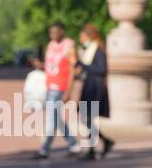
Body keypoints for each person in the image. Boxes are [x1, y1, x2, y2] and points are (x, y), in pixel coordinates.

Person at [72, 22, 115, 160]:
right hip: (89, 85)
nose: (81, 39)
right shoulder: (90, 50)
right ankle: (104, 142)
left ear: (88, 36)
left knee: (88, 118)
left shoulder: (97, 50)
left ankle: (93, 149)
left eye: (82, 37)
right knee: (87, 119)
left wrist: (82, 65)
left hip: (95, 87)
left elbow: (101, 69)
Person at [37, 22, 79, 158]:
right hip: (50, 85)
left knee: (52, 118)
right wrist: (40, 65)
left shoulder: (69, 46)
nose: (52, 35)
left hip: (60, 87)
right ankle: (73, 144)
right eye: (51, 32)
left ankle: (44, 149)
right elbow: (52, 66)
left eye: (55, 32)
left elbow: (73, 69)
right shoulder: (51, 45)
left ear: (62, 31)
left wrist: (68, 91)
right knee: (56, 119)